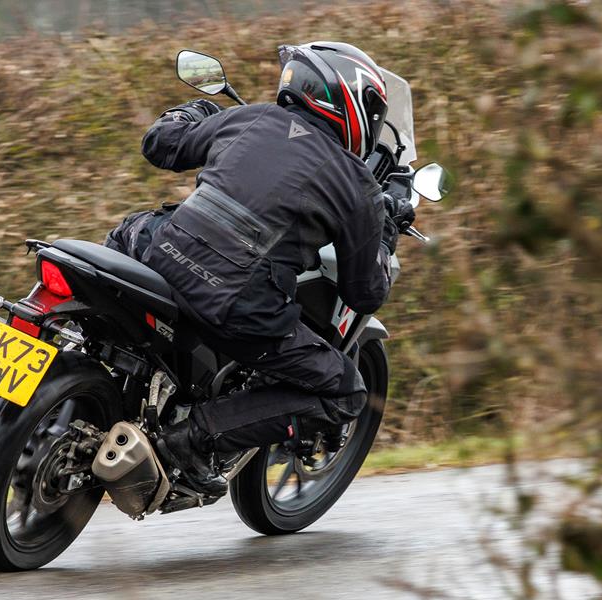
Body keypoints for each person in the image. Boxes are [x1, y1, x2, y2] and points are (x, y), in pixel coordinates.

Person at [105, 42, 415, 493]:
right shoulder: (357, 184)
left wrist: (196, 111)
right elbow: (365, 292)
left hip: (157, 254)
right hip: (236, 304)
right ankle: (189, 441)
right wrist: (385, 227)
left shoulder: (250, 119)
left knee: (135, 228)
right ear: (351, 103)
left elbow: (158, 144)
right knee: (344, 392)